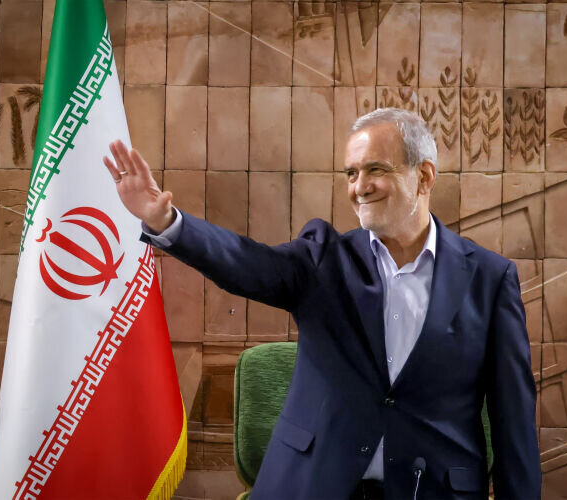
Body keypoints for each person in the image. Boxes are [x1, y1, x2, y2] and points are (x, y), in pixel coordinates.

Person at [103, 108, 541, 500]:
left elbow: (514, 422)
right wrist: (167, 222)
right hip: (311, 484)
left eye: (375, 169)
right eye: (351, 173)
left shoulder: (489, 278)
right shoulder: (323, 258)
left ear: (424, 176)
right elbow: (246, 263)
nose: (359, 187)